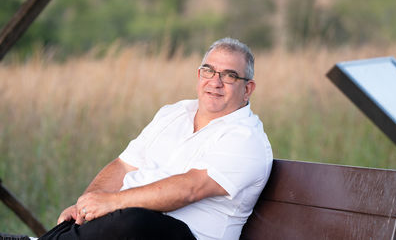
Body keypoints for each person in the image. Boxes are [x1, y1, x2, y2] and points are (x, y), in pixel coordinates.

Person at [1, 37, 273, 240]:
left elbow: (191, 188)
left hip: (187, 235)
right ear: (198, 75)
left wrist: (113, 202)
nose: (215, 81)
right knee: (121, 220)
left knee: (134, 221)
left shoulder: (246, 138)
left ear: (247, 89)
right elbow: (124, 165)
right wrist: (87, 203)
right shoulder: (174, 113)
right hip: (129, 223)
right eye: (209, 71)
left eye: (229, 76)